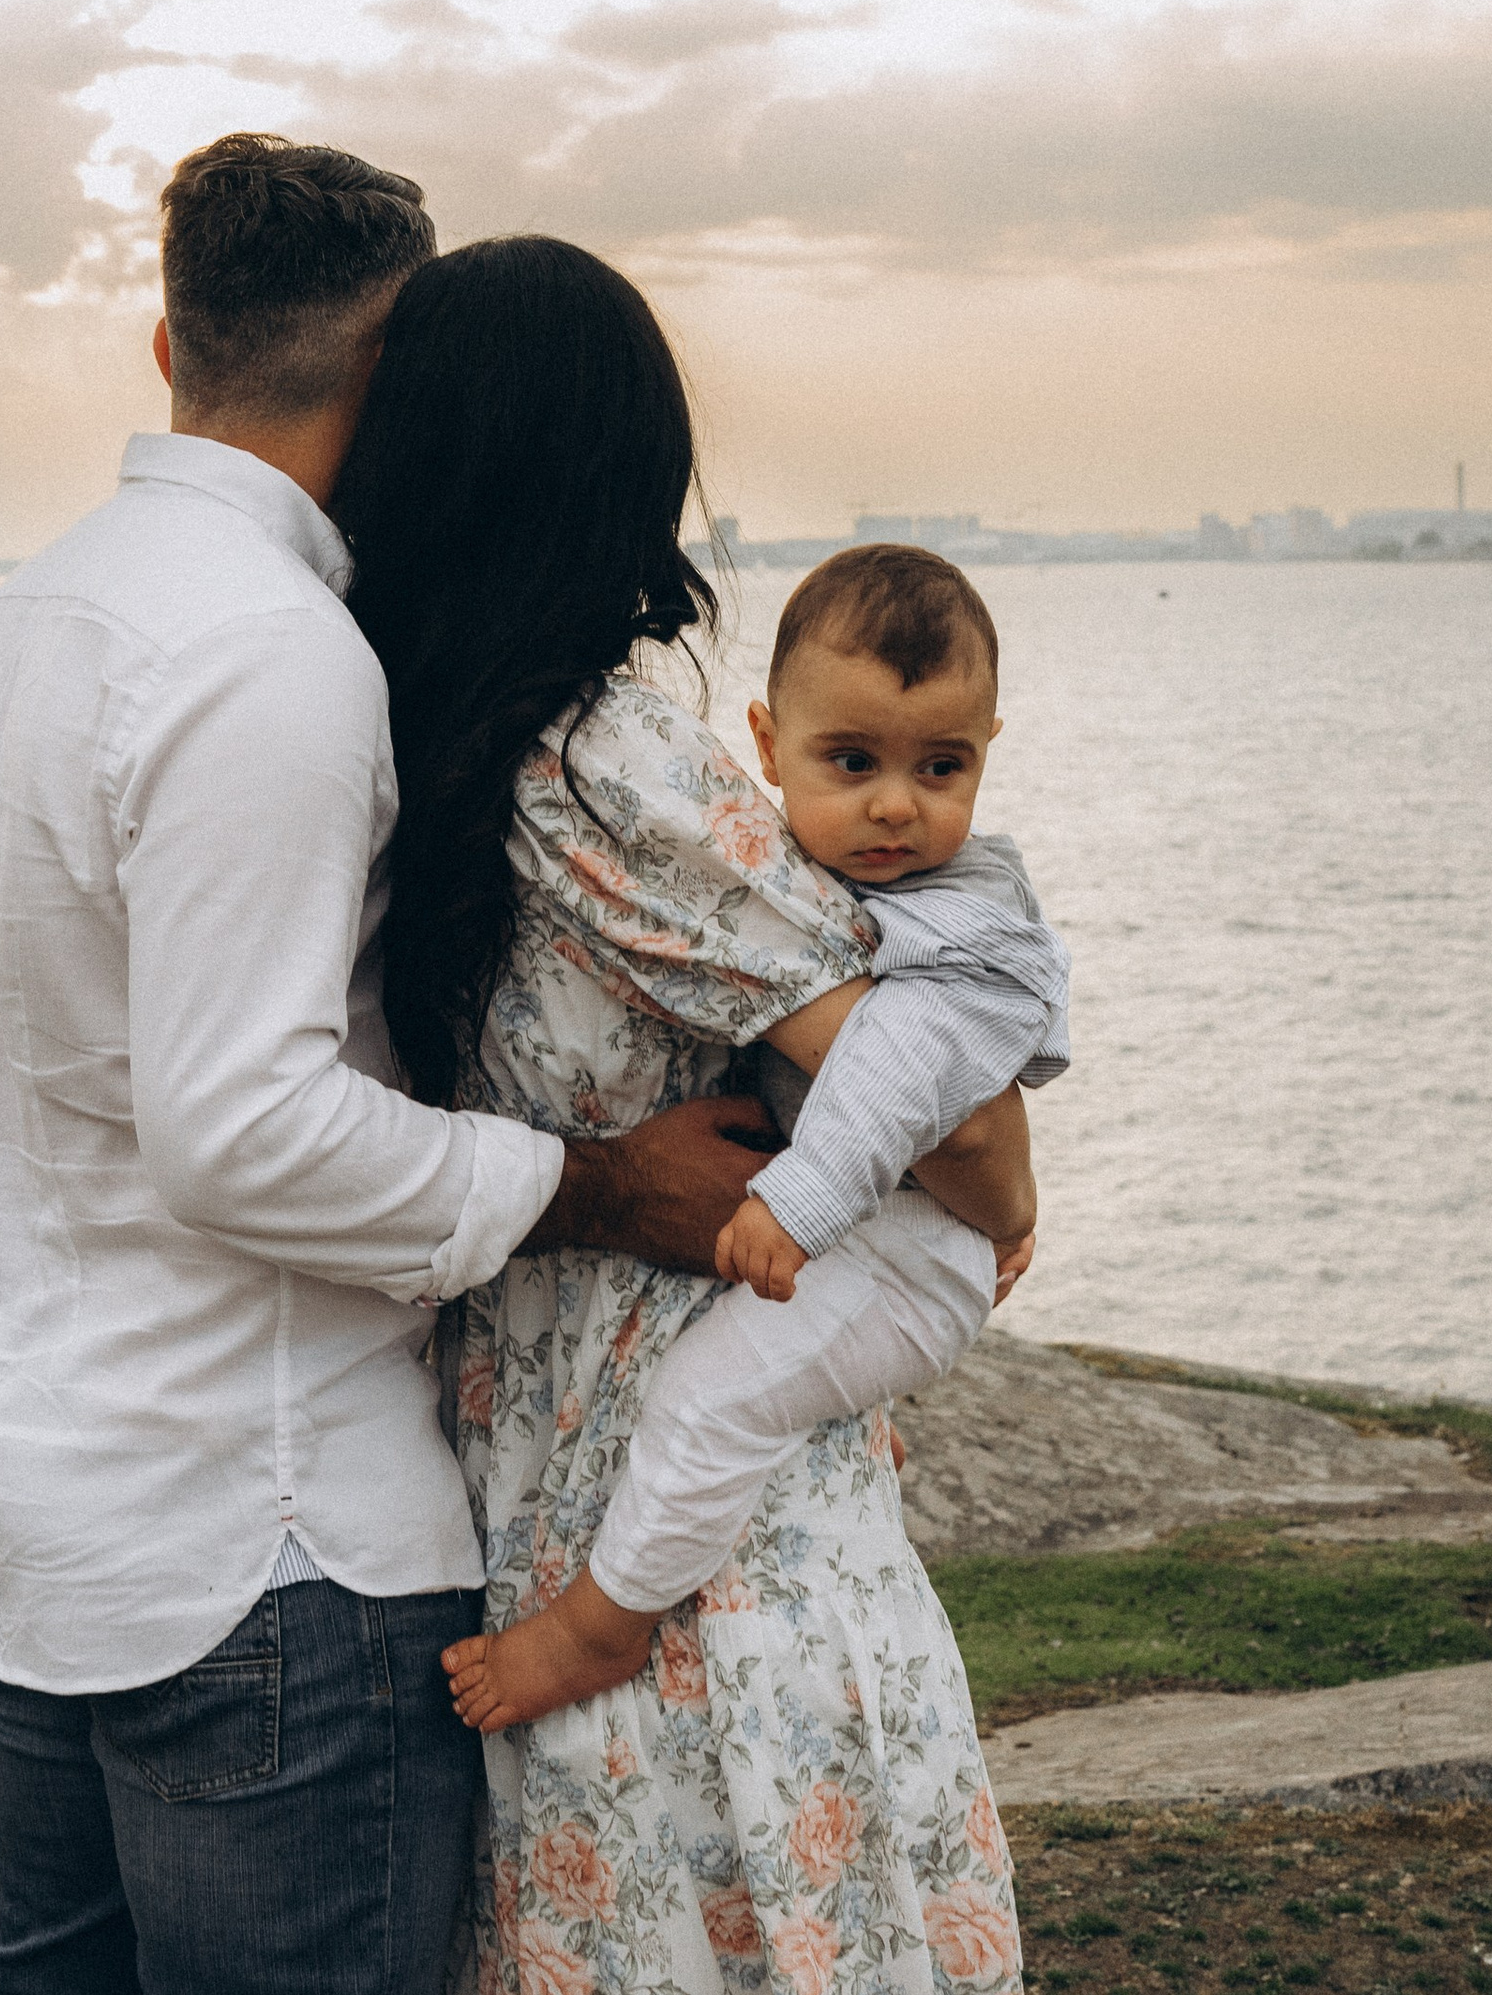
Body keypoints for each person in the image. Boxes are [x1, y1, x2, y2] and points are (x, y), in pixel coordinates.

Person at [0, 138, 774, 1995]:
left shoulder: (31, 622)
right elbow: (237, 1127)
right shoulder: (271, 663)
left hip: (35, 1507)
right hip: (255, 1548)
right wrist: (587, 1182)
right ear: (388, 363)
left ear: (169, 337)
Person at [334, 237, 1036, 1995]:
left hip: (527, 1482)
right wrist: (1001, 1183)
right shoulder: (627, 757)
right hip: (704, 1542)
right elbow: (964, 1142)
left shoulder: (406, 733)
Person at [444, 539, 1068, 1734]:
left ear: (989, 756)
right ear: (764, 746)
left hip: (901, 1254)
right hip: (877, 1242)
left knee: (709, 1404)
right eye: (852, 761)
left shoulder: (967, 919)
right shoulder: (822, 879)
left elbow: (904, 1080)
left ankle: (596, 1629)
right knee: (757, 1398)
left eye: (941, 766)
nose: (896, 803)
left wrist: (794, 1208)